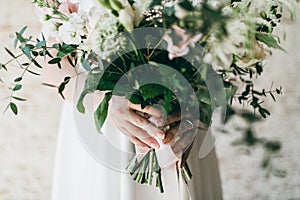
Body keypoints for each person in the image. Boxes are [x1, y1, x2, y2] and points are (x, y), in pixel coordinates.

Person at [45, 0, 223, 199]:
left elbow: (220, 49)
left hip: (180, 117)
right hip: (103, 127)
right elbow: (53, 65)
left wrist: (192, 111)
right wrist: (103, 100)